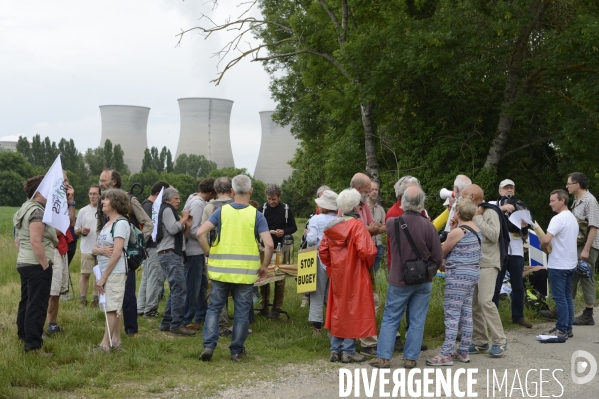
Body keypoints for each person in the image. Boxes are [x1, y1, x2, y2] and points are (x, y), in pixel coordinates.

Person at [197, 175, 273, 362]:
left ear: (232, 191)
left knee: (214, 308)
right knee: (241, 311)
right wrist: (264, 267)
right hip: (245, 273)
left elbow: (200, 233)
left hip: (221, 270)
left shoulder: (221, 212)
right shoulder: (257, 215)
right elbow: (269, 245)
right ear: (251, 191)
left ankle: (208, 346)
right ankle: (236, 351)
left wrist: (209, 253)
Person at [369, 186, 442, 369]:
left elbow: (378, 231)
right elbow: (439, 258)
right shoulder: (429, 226)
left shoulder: (394, 223)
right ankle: (410, 358)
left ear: (402, 202)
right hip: (423, 280)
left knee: (391, 317)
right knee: (417, 319)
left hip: (399, 279)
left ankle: (384, 358)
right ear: (422, 203)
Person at [319, 188, 378, 364]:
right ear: (356, 206)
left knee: (338, 309)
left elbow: (323, 251)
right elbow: (367, 251)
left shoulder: (332, 226)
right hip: (356, 272)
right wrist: (366, 265)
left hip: (338, 273)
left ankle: (335, 349)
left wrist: (332, 267)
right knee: (354, 309)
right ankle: (349, 350)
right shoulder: (357, 225)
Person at [97, 168, 153, 337]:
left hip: (125, 257)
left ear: (114, 182)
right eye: (99, 181)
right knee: (111, 297)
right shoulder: (102, 202)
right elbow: (101, 227)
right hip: (106, 254)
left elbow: (148, 223)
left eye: (103, 180)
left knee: (127, 294)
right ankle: (115, 335)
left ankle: (131, 330)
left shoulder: (129, 199)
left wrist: (136, 245)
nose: (100, 184)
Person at [426, 198, 481, 366]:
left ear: (457, 213)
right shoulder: (477, 229)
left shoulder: (457, 232)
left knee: (451, 314)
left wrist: (451, 228)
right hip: (472, 275)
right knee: (466, 313)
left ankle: (446, 354)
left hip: (458, 276)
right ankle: (463, 350)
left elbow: (442, 251)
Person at [461, 184, 508, 358]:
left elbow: (494, 235)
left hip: (488, 262)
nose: (461, 199)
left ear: (472, 196)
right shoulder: (470, 213)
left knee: (485, 301)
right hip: (473, 263)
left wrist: (478, 219)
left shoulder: (490, 211)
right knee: (474, 304)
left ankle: (500, 340)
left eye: (464, 195)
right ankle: (480, 341)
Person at [14, 175, 58, 354]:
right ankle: (33, 345)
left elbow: (18, 240)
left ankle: (24, 335)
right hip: (37, 264)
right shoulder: (38, 211)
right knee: (38, 304)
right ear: (39, 192)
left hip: (25, 262)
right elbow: (36, 241)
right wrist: (45, 265)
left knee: (26, 301)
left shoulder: (24, 208)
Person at [384, 175, 425, 352]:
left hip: (417, 265)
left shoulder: (422, 212)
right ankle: (395, 338)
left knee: (413, 305)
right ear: (401, 193)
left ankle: (410, 337)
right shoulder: (393, 213)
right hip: (398, 264)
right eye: (410, 190)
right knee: (396, 305)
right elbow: (391, 242)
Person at [92, 189, 131, 352]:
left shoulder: (121, 223)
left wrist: (104, 277)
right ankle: (116, 342)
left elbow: (116, 253)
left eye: (106, 199)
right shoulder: (107, 224)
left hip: (114, 272)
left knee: (111, 307)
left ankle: (104, 345)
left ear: (115, 202)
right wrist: (100, 251)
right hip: (104, 271)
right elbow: (94, 248)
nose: (102, 201)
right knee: (114, 305)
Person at [491, 179, 533, 328]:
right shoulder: (493, 205)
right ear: (499, 191)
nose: (509, 190)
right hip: (499, 250)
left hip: (516, 250)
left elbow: (526, 231)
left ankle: (518, 316)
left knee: (518, 285)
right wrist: (502, 209)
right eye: (506, 188)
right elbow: (480, 211)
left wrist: (524, 226)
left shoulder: (520, 205)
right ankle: (493, 319)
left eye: (511, 188)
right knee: (495, 286)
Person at [199, 177, 236, 336]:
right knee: (239, 291)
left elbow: (202, 234)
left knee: (218, 292)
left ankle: (220, 326)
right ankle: (240, 325)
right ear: (231, 189)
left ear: (216, 189)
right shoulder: (238, 206)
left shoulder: (209, 207)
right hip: (237, 255)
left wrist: (208, 252)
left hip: (216, 255)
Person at [541, 189, 578, 339]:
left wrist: (543, 247)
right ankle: (567, 327)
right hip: (570, 263)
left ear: (562, 200)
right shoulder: (572, 217)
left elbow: (546, 239)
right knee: (567, 296)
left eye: (552, 201)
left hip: (558, 264)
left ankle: (562, 329)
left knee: (560, 297)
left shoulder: (557, 219)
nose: (550, 204)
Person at [156, 188, 194, 336]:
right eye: (176, 199)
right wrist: (183, 218)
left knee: (175, 289)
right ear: (167, 199)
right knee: (180, 289)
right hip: (170, 254)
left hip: (170, 253)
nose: (179, 201)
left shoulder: (169, 210)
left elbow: (179, 238)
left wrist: (187, 227)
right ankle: (176, 324)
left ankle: (167, 321)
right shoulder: (167, 209)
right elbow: (172, 229)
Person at [258, 184, 297, 320]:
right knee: (264, 277)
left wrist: (284, 231)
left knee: (280, 279)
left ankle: (277, 308)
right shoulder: (261, 209)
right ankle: (264, 306)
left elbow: (293, 227)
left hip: (281, 248)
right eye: (269, 199)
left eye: (274, 199)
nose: (271, 202)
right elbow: (255, 227)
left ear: (279, 197)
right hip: (264, 248)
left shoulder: (286, 209)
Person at [182, 178, 216, 330]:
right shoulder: (197, 204)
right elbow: (194, 230)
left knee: (202, 284)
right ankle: (188, 318)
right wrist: (207, 236)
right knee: (193, 286)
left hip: (198, 251)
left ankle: (201, 314)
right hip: (194, 251)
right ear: (210, 192)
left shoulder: (194, 200)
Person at [46, 170, 76, 336]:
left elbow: (71, 222)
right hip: (52, 249)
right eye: (62, 181)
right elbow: (55, 231)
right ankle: (42, 324)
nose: (65, 184)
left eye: (67, 181)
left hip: (62, 248)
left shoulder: (64, 200)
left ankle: (52, 324)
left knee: (57, 291)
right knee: (50, 291)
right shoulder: (48, 201)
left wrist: (71, 201)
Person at [567, 172, 598, 326]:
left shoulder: (590, 201)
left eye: (569, 183)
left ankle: (588, 314)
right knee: (572, 274)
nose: (567, 186)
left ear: (577, 184)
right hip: (578, 244)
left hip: (588, 245)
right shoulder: (577, 200)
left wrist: (586, 250)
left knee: (586, 275)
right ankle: (564, 309)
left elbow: (594, 227)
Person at [306, 190, 339, 334]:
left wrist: (307, 235)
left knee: (317, 293)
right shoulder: (339, 219)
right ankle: (333, 325)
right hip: (336, 259)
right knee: (334, 293)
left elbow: (312, 240)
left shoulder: (316, 219)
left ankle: (316, 327)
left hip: (320, 257)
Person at [137, 180, 170, 317]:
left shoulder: (144, 205)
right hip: (152, 247)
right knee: (155, 278)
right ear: (158, 194)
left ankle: (141, 307)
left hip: (147, 248)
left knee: (147, 277)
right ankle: (150, 309)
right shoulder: (150, 207)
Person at [74, 184, 101, 307]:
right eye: (91, 194)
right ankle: (83, 299)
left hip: (101, 248)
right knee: (85, 274)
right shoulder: (83, 211)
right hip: (87, 248)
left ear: (100, 195)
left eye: (95, 194)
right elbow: (75, 229)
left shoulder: (103, 210)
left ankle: (95, 299)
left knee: (98, 275)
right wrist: (81, 230)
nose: (92, 196)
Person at [368, 181, 386, 275]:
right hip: (366, 246)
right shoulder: (362, 207)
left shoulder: (380, 209)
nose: (374, 192)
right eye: (372, 189)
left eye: (376, 190)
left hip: (378, 245)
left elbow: (386, 227)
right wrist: (379, 225)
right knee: (366, 274)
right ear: (367, 190)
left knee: (374, 275)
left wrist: (374, 227)